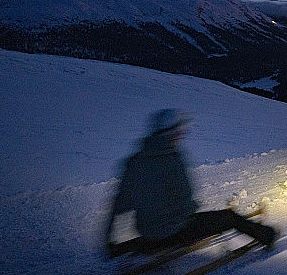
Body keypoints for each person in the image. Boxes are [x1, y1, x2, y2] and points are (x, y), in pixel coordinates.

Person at [104, 109, 277, 257]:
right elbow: (186, 203)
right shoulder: (173, 160)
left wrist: (108, 238)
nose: (180, 137)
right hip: (174, 233)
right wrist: (191, 211)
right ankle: (267, 235)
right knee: (228, 217)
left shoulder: (134, 161)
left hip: (146, 231)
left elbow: (119, 204)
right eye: (179, 133)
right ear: (171, 134)